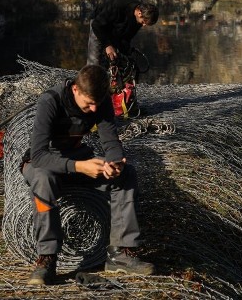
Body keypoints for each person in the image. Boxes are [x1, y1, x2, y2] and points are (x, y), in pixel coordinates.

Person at [21, 65, 154, 285]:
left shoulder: (100, 103)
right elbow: (38, 156)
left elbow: (111, 141)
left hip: (78, 158)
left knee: (127, 175)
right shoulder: (50, 101)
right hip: (44, 162)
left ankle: (120, 253)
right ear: (75, 89)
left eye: (97, 104)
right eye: (88, 103)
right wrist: (80, 167)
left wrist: (114, 162)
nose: (93, 109)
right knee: (44, 179)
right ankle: (47, 259)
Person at [87, 0, 159, 67]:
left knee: (118, 58)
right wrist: (107, 45)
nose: (143, 25)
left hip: (115, 28)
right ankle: (91, 72)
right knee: (94, 60)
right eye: (143, 22)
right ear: (139, 13)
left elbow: (126, 38)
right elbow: (96, 25)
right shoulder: (118, 6)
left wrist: (127, 51)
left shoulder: (139, 19)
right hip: (99, 23)